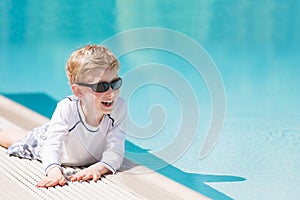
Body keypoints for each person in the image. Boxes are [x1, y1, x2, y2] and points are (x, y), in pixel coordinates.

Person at [0, 44, 127, 188]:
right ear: (78, 91)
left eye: (115, 84)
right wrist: (54, 171)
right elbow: (51, 145)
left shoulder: (118, 107)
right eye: (101, 87)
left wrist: (98, 168)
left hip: (72, 143)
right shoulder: (67, 108)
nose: (111, 93)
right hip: (44, 141)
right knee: (15, 139)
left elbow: (116, 150)